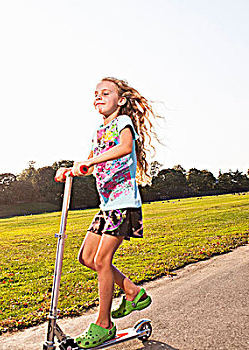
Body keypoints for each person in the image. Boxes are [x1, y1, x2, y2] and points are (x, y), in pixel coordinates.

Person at [55, 77, 161, 348]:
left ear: (121, 100)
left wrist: (90, 160)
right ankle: (132, 291)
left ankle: (104, 324)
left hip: (124, 203)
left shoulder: (122, 123)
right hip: (107, 206)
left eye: (106, 93)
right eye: (95, 94)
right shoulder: (98, 132)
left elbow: (125, 148)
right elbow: (90, 165)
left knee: (102, 260)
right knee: (86, 257)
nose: (98, 97)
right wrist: (72, 169)